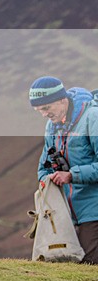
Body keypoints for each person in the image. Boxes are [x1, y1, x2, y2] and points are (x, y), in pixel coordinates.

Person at [30, 76, 98, 264]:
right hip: (66, 214)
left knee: (90, 265)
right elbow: (44, 166)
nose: (44, 114)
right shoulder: (52, 126)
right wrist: (45, 180)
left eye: (46, 108)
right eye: (39, 110)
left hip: (93, 211)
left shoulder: (93, 118)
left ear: (62, 100)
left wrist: (71, 175)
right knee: (67, 265)